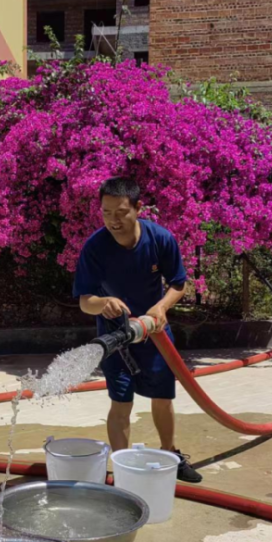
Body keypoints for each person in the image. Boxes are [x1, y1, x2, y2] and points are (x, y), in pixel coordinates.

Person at [73, 177, 202, 483]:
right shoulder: (95, 248)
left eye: (120, 212)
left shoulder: (159, 239)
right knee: (121, 402)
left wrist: (161, 307)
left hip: (154, 331)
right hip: (116, 337)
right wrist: (103, 302)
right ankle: (122, 470)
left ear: (138, 208)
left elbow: (179, 283)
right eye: (106, 213)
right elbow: (84, 301)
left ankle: (170, 453)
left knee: (162, 396)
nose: (113, 221)